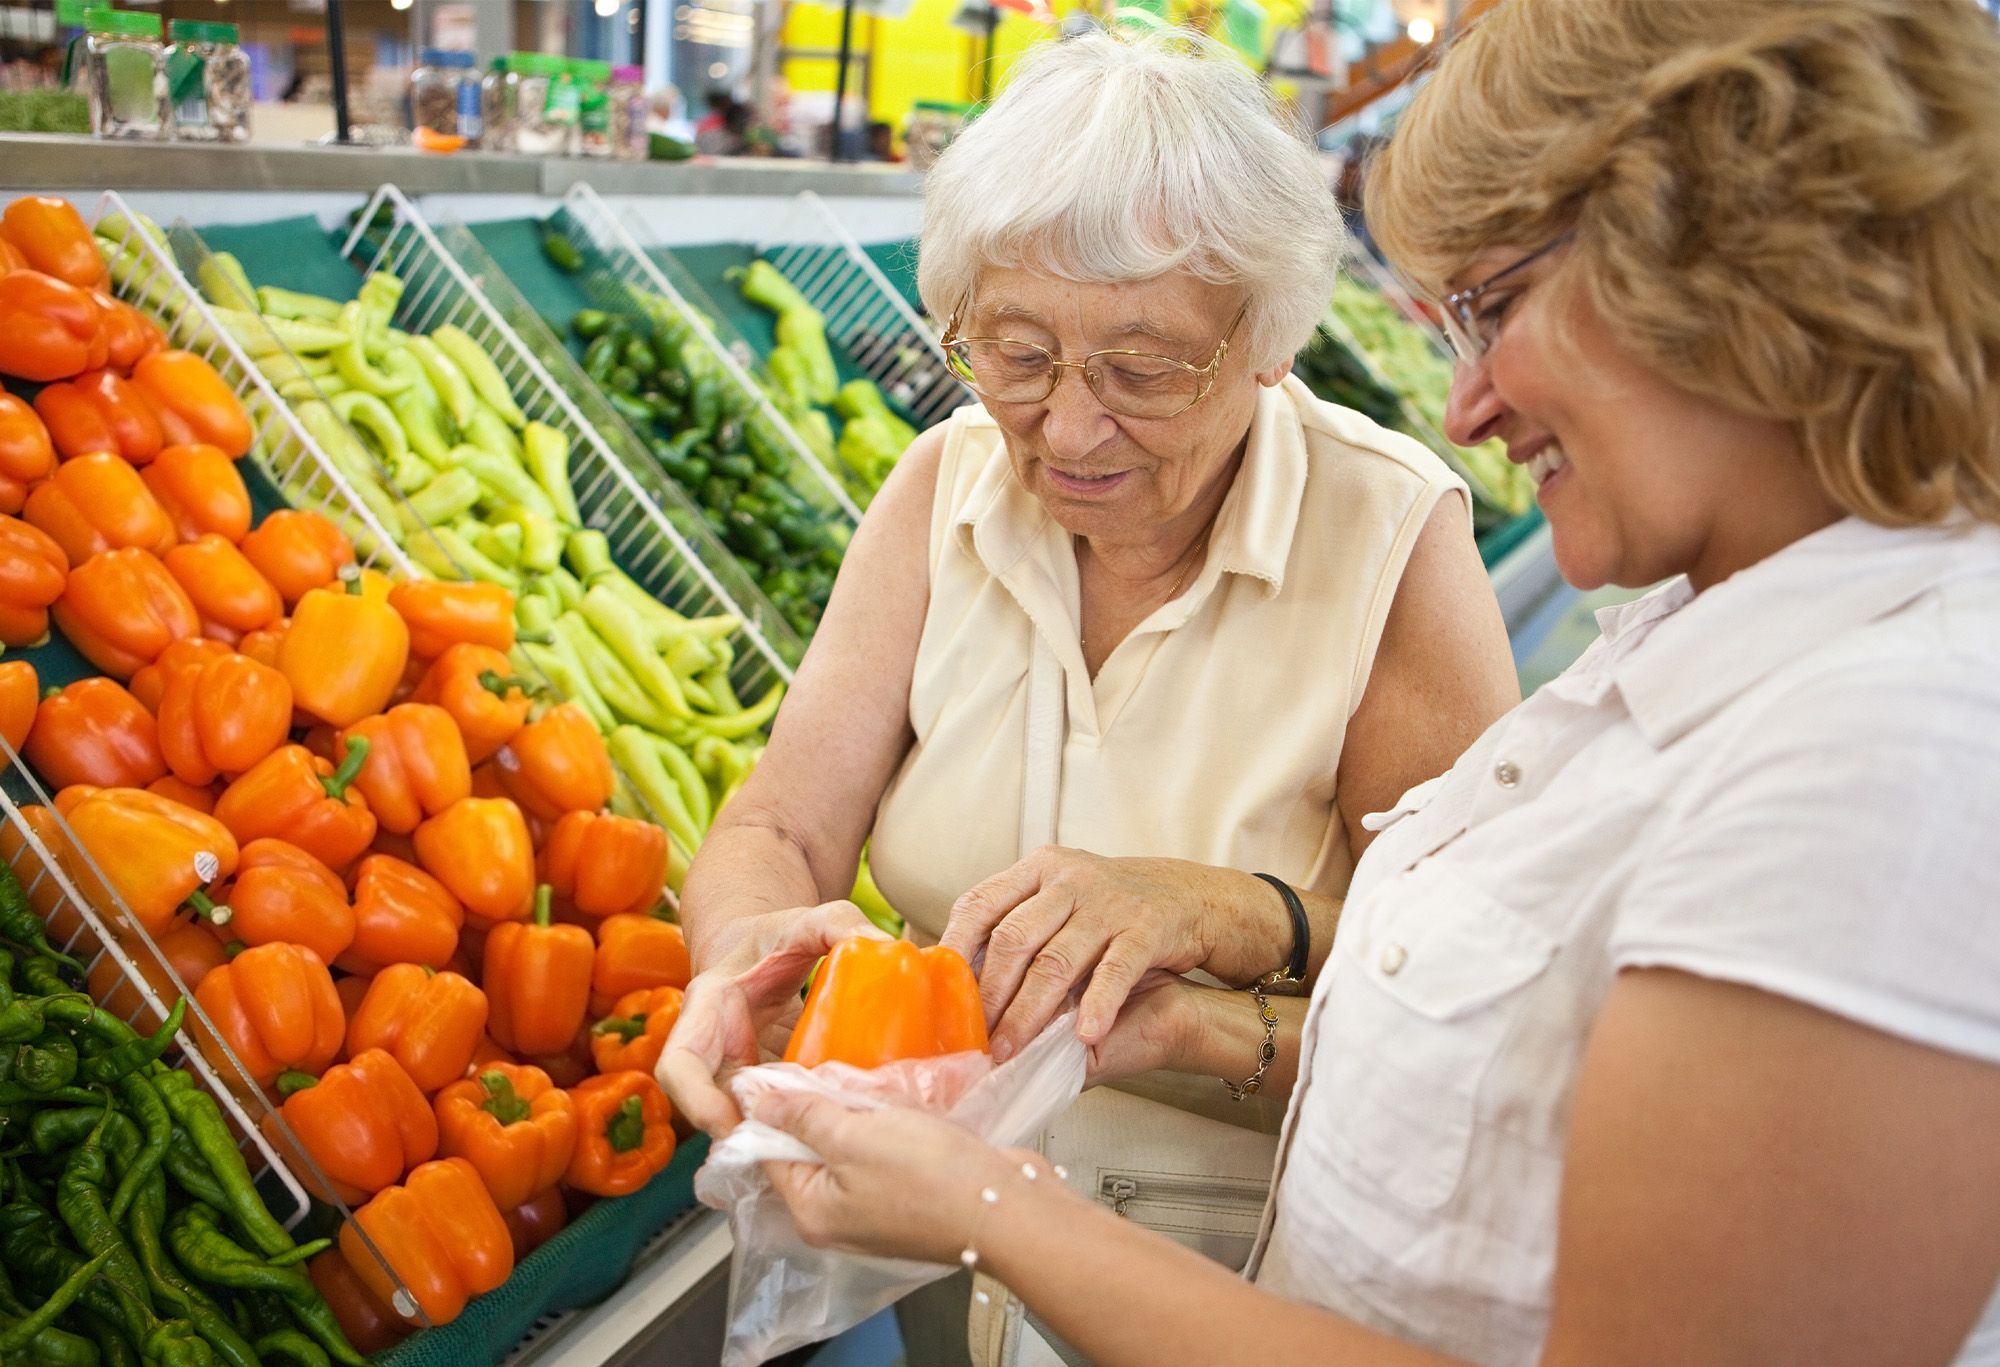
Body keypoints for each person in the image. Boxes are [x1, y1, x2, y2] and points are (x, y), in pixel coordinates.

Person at [687, 1, 2000, 1363]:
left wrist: (1002, 1203)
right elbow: (1477, 1039)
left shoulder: (1887, 751)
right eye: (1016, 356)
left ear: (1732, 292)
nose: (1466, 406)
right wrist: (1170, 1021)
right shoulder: (1700, 648)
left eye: (1494, 309)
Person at [657, 25, 1517, 1364]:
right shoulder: (942, 488)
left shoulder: (1391, 536)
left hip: (1237, 1287)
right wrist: (742, 954)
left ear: (1269, 339)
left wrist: (1225, 911)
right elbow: (780, 825)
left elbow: (1482, 991)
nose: (1067, 428)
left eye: (1142, 368)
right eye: (1015, 353)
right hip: (903, 1263)